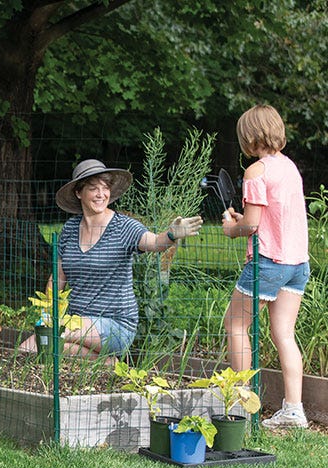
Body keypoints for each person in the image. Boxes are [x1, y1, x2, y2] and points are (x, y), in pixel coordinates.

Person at [20, 159, 203, 360]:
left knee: (53, 338)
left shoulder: (123, 227)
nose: (101, 194)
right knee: (28, 349)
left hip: (115, 323)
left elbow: (153, 243)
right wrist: (48, 314)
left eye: (105, 188)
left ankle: (102, 358)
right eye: (93, 189)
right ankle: (106, 363)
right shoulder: (70, 230)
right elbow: (57, 280)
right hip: (76, 321)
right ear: (79, 193)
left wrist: (171, 234)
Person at [222, 104, 310, 429]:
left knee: (235, 324)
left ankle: (241, 406)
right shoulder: (290, 167)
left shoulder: (255, 171)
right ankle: (294, 410)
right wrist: (242, 219)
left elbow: (252, 225)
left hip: (270, 261)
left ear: (248, 135)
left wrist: (232, 227)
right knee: (284, 334)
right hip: (297, 263)